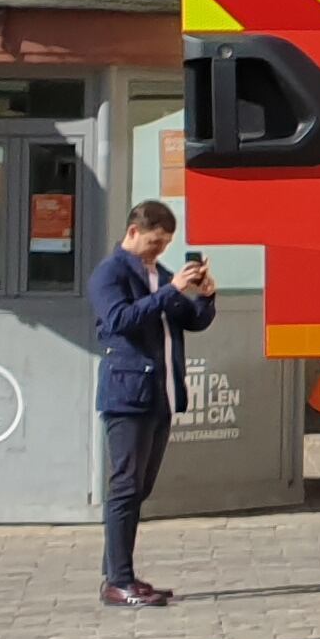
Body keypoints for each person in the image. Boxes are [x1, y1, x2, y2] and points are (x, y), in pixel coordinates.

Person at [90, 199, 217, 608]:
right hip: (127, 395)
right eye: (154, 242)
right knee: (125, 486)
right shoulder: (110, 273)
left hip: (160, 397)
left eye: (165, 244)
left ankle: (119, 573)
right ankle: (118, 581)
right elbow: (119, 321)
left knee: (140, 487)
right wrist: (168, 291)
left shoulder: (159, 275)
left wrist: (204, 297)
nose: (159, 250)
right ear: (133, 232)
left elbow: (189, 320)